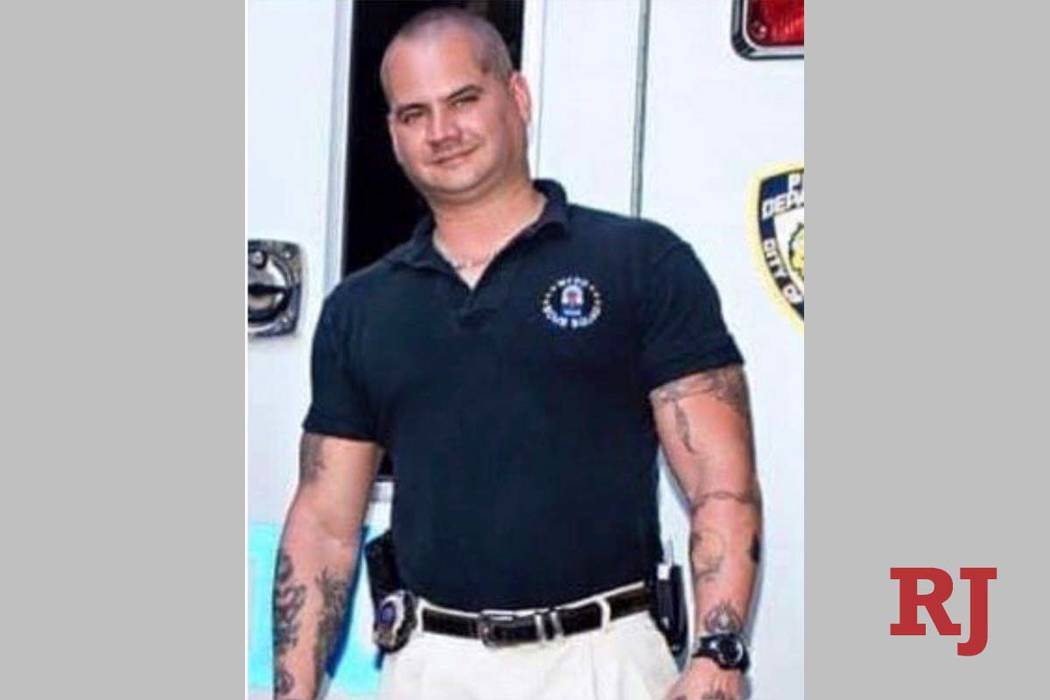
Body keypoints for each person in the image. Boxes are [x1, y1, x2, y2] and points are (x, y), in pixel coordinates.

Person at [272, 8, 761, 700]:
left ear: (518, 97)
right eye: (415, 114)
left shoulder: (641, 264)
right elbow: (324, 524)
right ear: (394, 134)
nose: (442, 131)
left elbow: (721, 483)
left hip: (604, 663)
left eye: (463, 100)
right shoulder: (361, 308)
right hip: (430, 669)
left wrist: (717, 653)